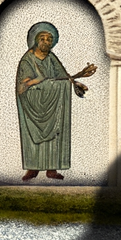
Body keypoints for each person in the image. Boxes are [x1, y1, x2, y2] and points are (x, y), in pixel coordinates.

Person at [15, 22, 96, 181]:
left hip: (53, 102)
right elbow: (23, 86)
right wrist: (39, 82)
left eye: (49, 39)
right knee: (32, 135)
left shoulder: (51, 58)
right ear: (36, 40)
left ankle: (52, 169)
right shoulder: (27, 60)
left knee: (55, 134)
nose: (46, 42)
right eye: (43, 38)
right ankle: (32, 169)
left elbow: (64, 78)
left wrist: (80, 74)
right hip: (33, 104)